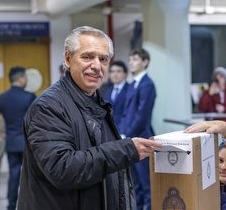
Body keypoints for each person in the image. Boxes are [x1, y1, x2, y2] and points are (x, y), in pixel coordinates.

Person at [17, 26, 162, 210]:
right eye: (87, 57)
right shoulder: (48, 107)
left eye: (103, 59)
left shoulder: (96, 101)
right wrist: (124, 150)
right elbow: (63, 169)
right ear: (68, 59)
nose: (96, 66)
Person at [119, 48, 156, 210]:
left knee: (146, 182)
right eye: (130, 59)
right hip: (130, 139)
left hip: (141, 138)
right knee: (135, 183)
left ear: (145, 62)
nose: (131, 63)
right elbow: (126, 113)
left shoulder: (147, 84)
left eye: (135, 59)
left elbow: (142, 116)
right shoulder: (133, 84)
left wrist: (127, 134)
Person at [0, 66, 37, 210]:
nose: (26, 80)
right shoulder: (29, 96)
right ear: (21, 79)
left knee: (14, 175)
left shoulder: (2, 98)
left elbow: (1, 121)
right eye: (25, 77)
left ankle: (11, 205)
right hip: (28, 143)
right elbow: (36, 120)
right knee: (32, 175)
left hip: (11, 142)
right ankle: (31, 204)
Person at [102, 60, 129, 130]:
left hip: (125, 131)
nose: (115, 74)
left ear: (125, 74)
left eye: (118, 71)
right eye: (112, 71)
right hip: (108, 129)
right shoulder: (106, 89)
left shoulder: (131, 89)